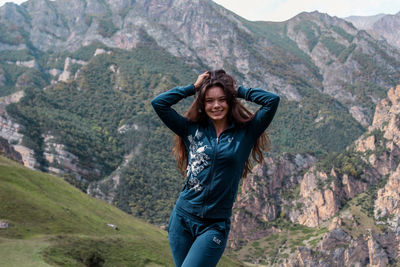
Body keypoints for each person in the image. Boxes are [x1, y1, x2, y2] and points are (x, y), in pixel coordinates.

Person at [151, 70, 280, 267]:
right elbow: (159, 103)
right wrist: (192, 88)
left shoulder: (246, 132)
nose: (216, 105)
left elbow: (272, 100)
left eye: (222, 99)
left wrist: (237, 90)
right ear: (202, 104)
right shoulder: (191, 129)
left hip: (214, 226)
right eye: (209, 100)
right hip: (182, 219)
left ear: (229, 100)